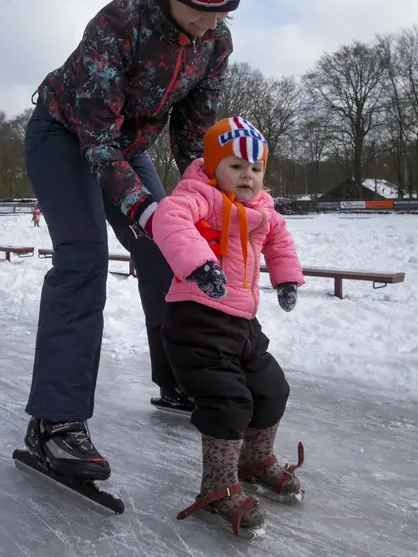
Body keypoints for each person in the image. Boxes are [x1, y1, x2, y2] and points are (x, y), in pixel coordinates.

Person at [20, 0, 249, 481]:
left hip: (128, 149)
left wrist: (213, 200)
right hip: (64, 135)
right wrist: (145, 208)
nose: (207, 23)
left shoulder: (215, 43)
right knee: (84, 258)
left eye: (222, 10)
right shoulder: (120, 22)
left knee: (170, 251)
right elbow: (96, 141)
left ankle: (180, 378)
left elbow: (198, 133)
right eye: (200, 6)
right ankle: (55, 422)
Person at [152, 117, 305, 537]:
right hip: (197, 321)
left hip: (243, 323)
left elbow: (280, 241)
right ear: (214, 167)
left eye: (255, 169)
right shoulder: (198, 196)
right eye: (236, 166)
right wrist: (200, 265)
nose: (248, 176)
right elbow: (170, 220)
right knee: (227, 402)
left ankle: (255, 460)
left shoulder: (263, 210)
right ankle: (217, 487)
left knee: (272, 389)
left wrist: (287, 277)